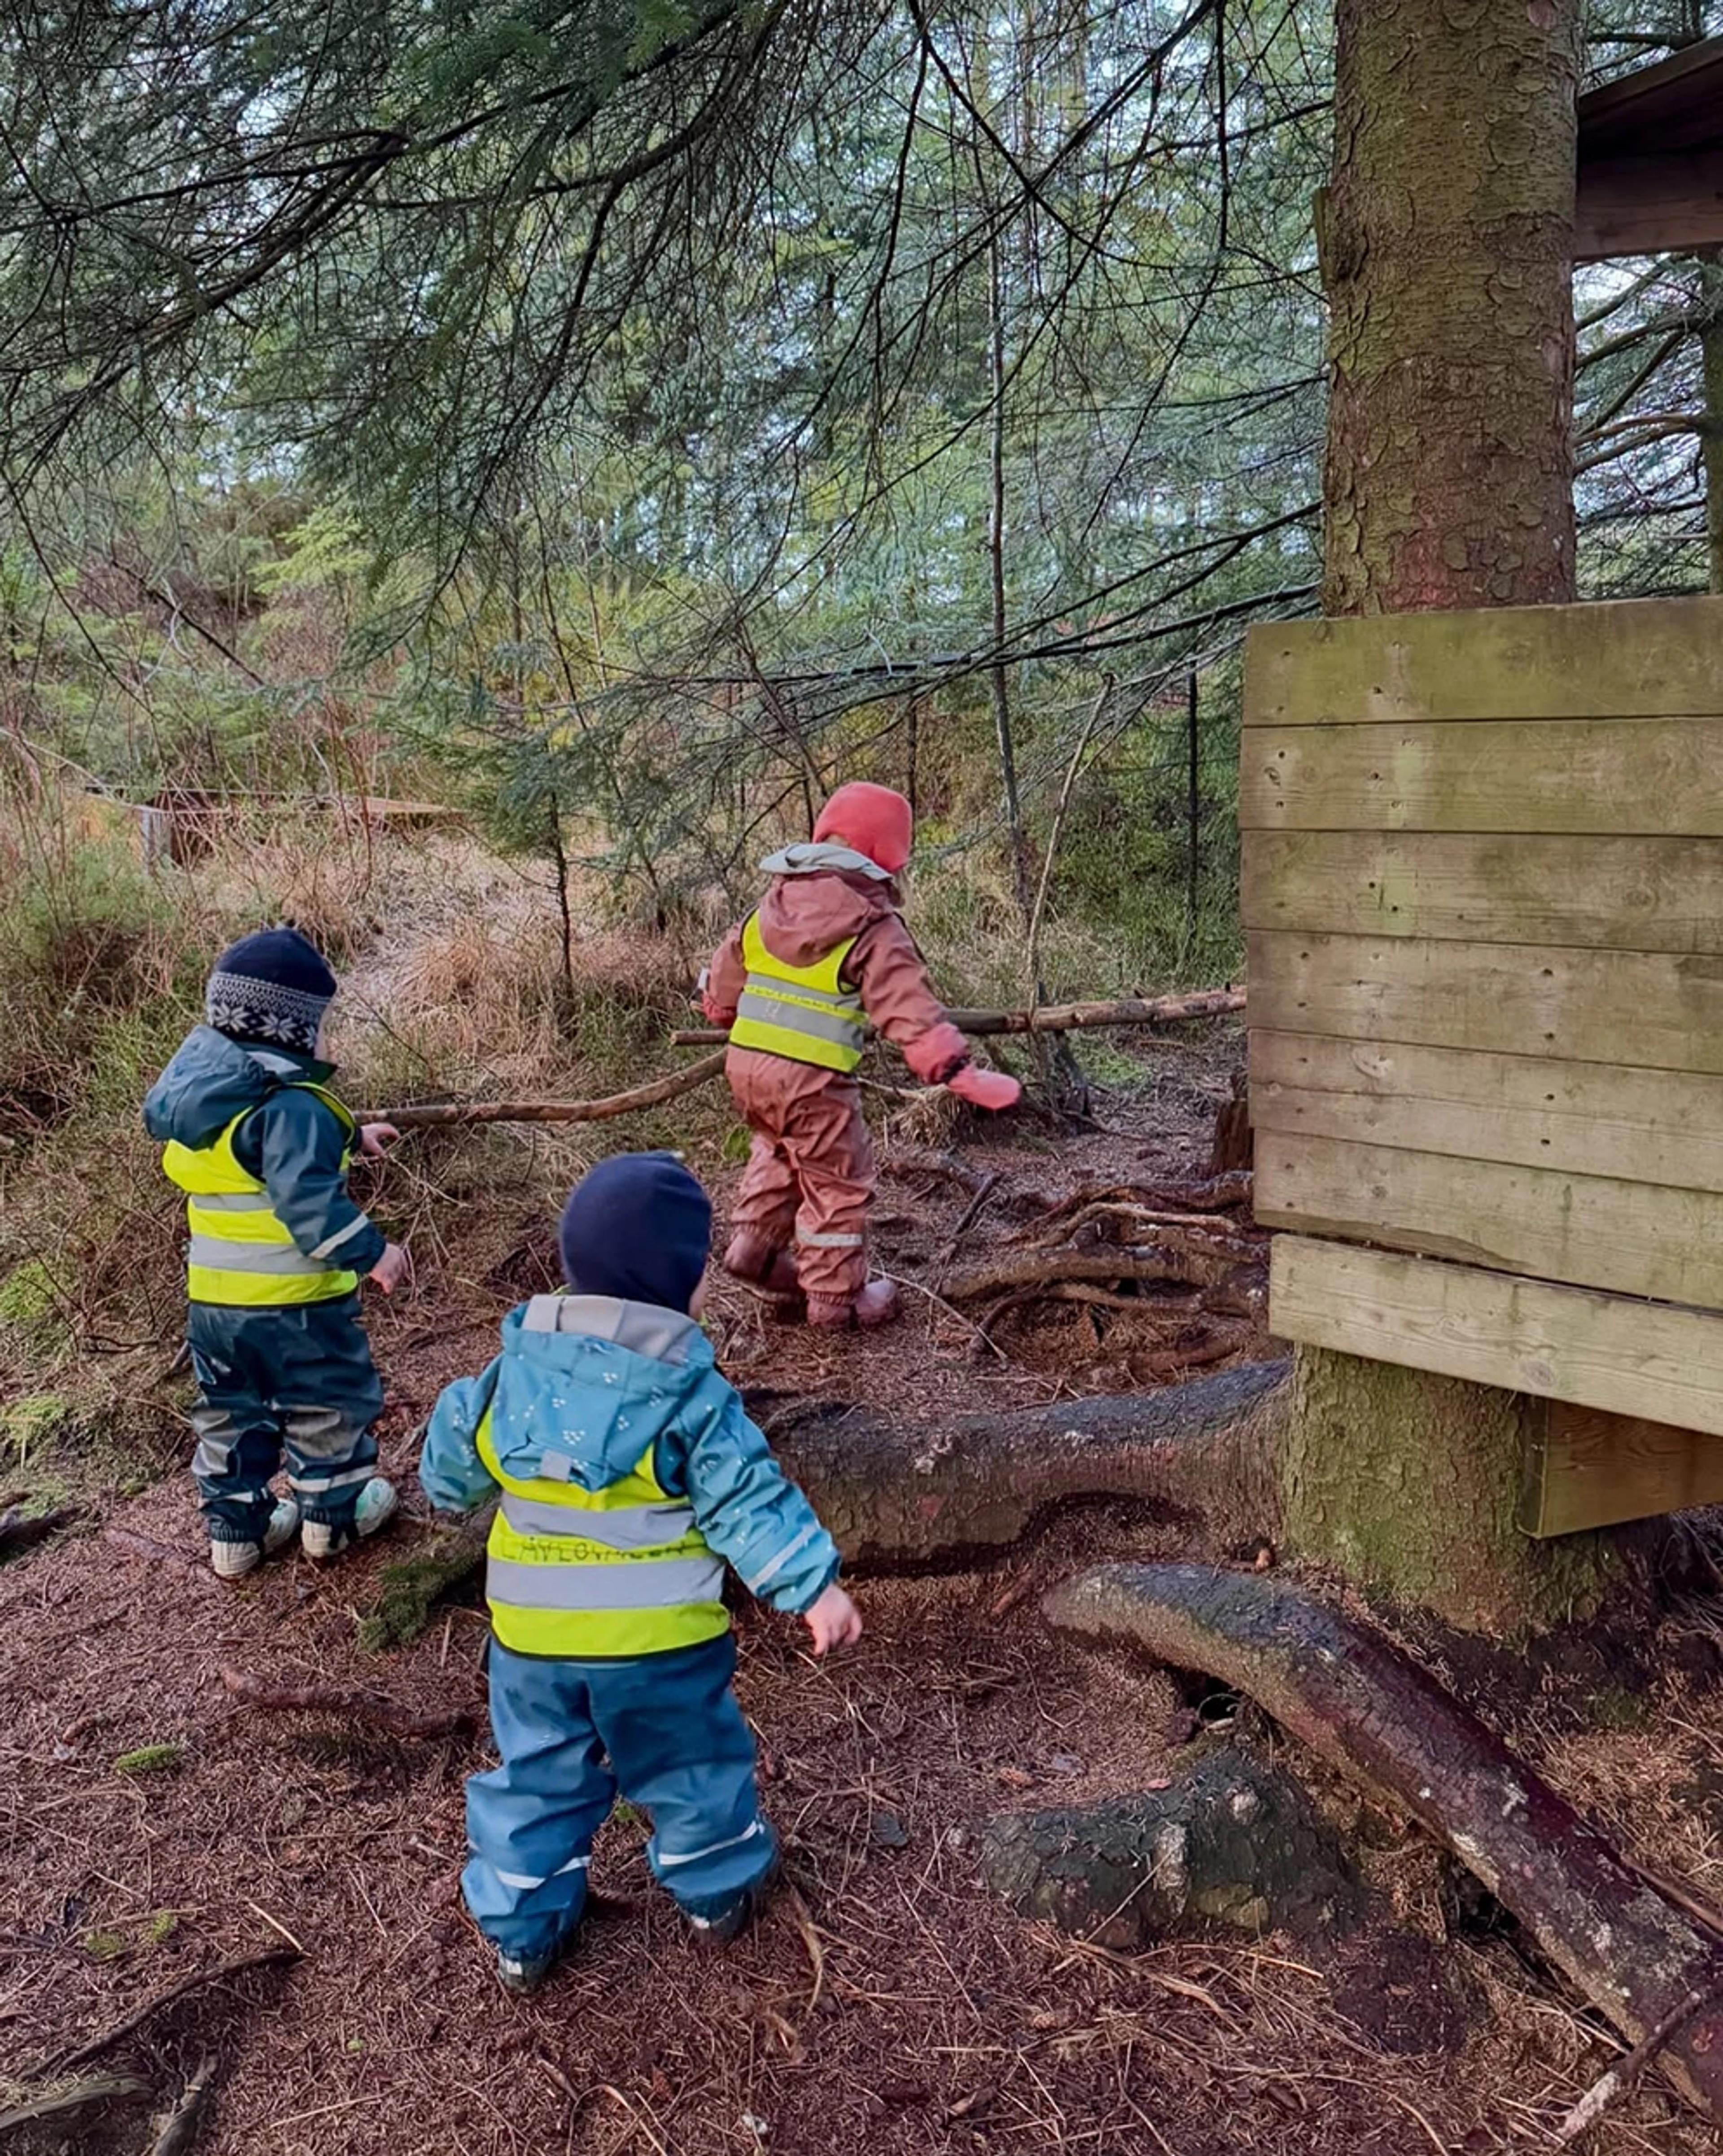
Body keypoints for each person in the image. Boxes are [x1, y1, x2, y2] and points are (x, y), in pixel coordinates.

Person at [418, 1151, 862, 1994]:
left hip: (532, 1643)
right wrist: (812, 1585)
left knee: (538, 1778)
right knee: (691, 1765)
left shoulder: (513, 1372)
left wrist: (452, 1449)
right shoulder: (691, 1395)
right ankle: (717, 1891)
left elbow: (450, 1474)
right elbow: (746, 1498)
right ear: (676, 1283)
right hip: (660, 1645)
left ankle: (522, 1929)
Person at [701, 780, 1020, 1328]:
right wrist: (956, 1070)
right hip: (812, 1080)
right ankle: (836, 1300)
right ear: (887, 854)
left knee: (778, 1150)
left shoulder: (772, 905)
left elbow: (725, 978)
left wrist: (719, 1008)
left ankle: (753, 1250)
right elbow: (908, 1007)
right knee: (837, 1180)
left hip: (747, 1068)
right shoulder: (871, 924)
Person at [143, 927, 408, 1578]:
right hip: (298, 1307)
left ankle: (238, 1533)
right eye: (320, 1025)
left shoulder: (204, 1102)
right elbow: (308, 1205)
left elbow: (257, 1155)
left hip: (215, 1308)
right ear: (289, 1030)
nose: (326, 1039)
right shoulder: (292, 1106)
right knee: (325, 1401)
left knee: (230, 1414)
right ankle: (332, 1519)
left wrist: (349, 1135)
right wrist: (373, 1253)